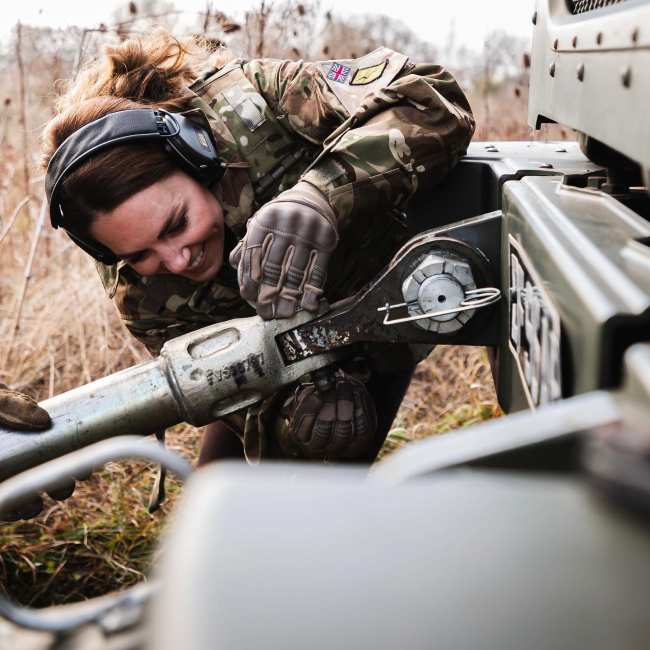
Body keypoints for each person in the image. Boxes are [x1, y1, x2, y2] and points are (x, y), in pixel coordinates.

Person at [41, 31, 475, 464]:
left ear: (197, 156)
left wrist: (322, 194)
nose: (176, 259)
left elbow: (433, 99)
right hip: (272, 360)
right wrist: (295, 414)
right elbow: (228, 391)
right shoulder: (136, 291)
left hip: (389, 300)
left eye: (177, 223)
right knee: (235, 490)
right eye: (140, 254)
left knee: (339, 483)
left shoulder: (256, 103)